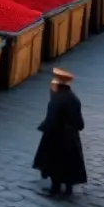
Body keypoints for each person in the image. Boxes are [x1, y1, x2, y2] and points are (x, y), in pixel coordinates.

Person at [32, 68, 86, 198]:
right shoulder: (74, 99)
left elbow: (51, 119)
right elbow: (80, 124)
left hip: (57, 136)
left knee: (54, 163)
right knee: (70, 163)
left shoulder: (56, 100)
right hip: (72, 137)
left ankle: (55, 189)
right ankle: (68, 189)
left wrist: (43, 127)